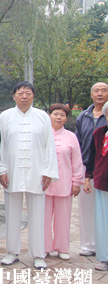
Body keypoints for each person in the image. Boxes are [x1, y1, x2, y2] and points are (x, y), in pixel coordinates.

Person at [0, 82, 59, 270]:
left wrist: (48, 171)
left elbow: (49, 145)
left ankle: (38, 254)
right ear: (14, 96)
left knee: (37, 215)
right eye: (20, 93)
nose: (24, 96)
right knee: (12, 213)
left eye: (28, 93)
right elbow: (0, 145)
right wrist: (1, 169)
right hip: (12, 171)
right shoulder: (5, 116)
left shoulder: (42, 117)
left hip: (37, 171)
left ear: (33, 96)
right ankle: (11, 252)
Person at [45, 104, 84, 260]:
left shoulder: (71, 137)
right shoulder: (43, 134)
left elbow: (77, 161)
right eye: (55, 114)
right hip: (44, 184)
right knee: (43, 218)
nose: (58, 117)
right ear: (49, 115)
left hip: (65, 183)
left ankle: (62, 248)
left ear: (66, 118)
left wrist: (77, 182)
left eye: (62, 115)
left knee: (63, 218)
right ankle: (44, 247)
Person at [75, 82, 108, 257]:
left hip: (103, 168)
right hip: (86, 168)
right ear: (91, 94)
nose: (100, 93)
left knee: (103, 209)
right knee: (87, 208)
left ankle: (104, 244)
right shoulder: (83, 116)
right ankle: (89, 245)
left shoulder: (107, 115)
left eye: (104, 90)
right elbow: (78, 142)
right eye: (96, 90)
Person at [85, 101, 108, 271]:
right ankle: (105, 258)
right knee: (103, 222)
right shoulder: (98, 133)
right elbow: (91, 157)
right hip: (102, 182)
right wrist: (88, 178)